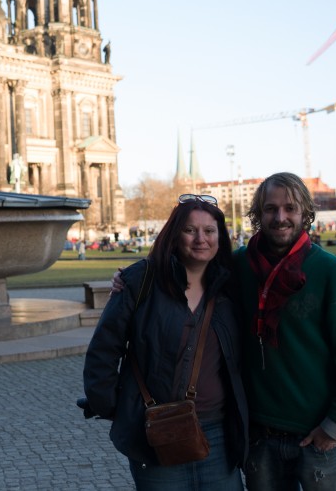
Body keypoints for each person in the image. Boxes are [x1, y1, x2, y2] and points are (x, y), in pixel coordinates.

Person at [84, 194, 248, 490]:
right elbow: (104, 349)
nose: (201, 239)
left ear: (220, 238)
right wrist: (114, 408)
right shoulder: (141, 279)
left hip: (219, 434)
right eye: (190, 230)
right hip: (156, 432)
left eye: (209, 231)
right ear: (175, 234)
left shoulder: (232, 285)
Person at [234, 172, 336, 491]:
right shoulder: (239, 266)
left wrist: (335, 427)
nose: (280, 217)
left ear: (305, 213)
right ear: (259, 214)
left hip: (316, 436)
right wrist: (131, 280)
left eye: (290, 208)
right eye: (270, 209)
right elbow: (191, 264)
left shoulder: (330, 271)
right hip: (260, 436)